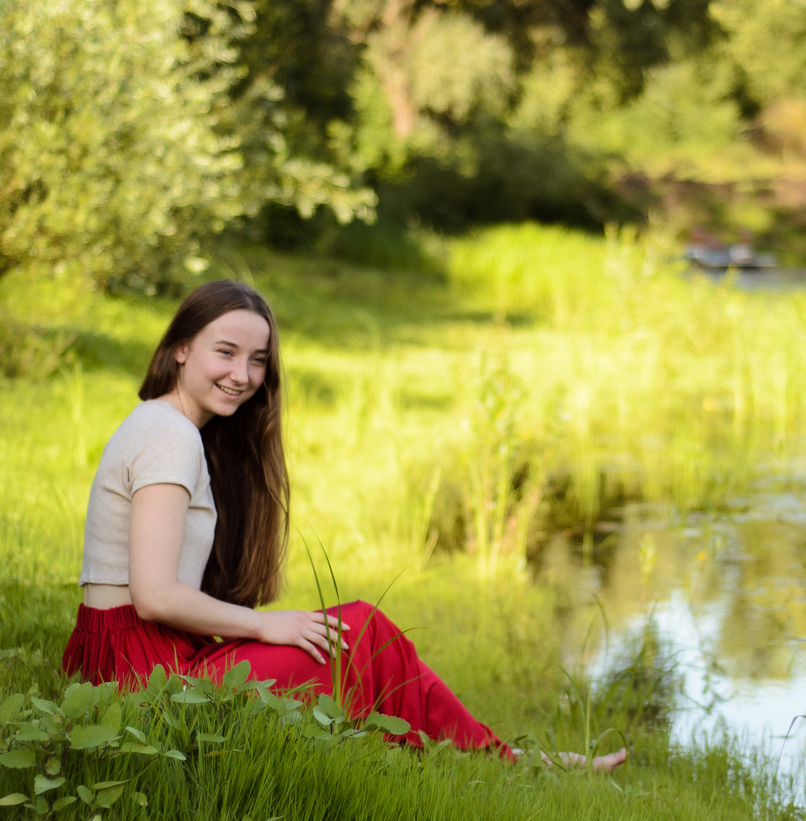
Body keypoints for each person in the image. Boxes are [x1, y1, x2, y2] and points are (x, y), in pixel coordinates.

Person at [62, 279, 625, 771]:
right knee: (360, 631)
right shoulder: (171, 437)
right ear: (181, 347)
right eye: (226, 352)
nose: (243, 375)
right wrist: (266, 626)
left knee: (357, 633)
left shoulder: (165, 424)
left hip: (128, 661)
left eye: (258, 359)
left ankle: (480, 754)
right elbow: (155, 596)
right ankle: (502, 760)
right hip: (147, 679)